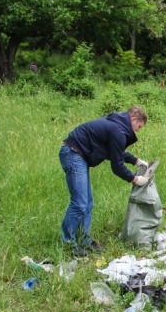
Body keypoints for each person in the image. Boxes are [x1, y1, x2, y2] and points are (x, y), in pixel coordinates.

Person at [60, 105, 149, 256]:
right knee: (79, 202)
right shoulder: (118, 130)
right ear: (133, 119)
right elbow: (117, 165)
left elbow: (115, 151)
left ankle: (83, 240)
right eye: (139, 126)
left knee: (87, 203)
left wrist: (136, 161)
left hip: (78, 155)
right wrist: (134, 179)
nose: (138, 130)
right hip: (73, 154)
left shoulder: (116, 126)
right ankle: (68, 244)